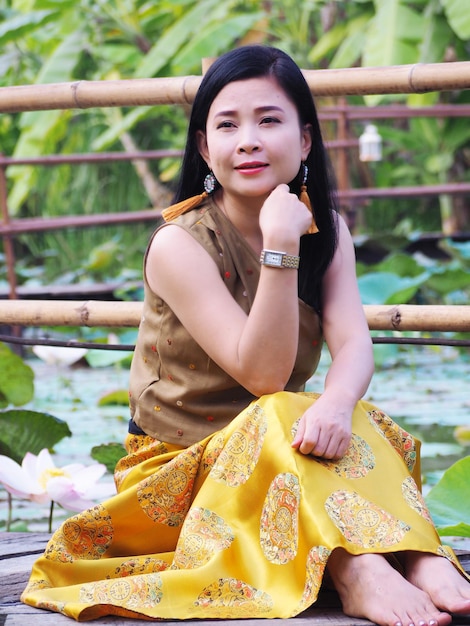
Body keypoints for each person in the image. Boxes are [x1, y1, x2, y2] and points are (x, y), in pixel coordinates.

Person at [22, 45, 470, 626]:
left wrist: (336, 405)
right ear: (206, 148)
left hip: (285, 451)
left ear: (305, 140)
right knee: (283, 408)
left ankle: (418, 555)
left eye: (269, 120)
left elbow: (354, 345)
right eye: (227, 125)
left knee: (361, 418)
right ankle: (357, 570)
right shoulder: (179, 245)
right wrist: (280, 246)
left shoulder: (327, 229)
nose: (249, 140)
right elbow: (263, 377)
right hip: (180, 474)